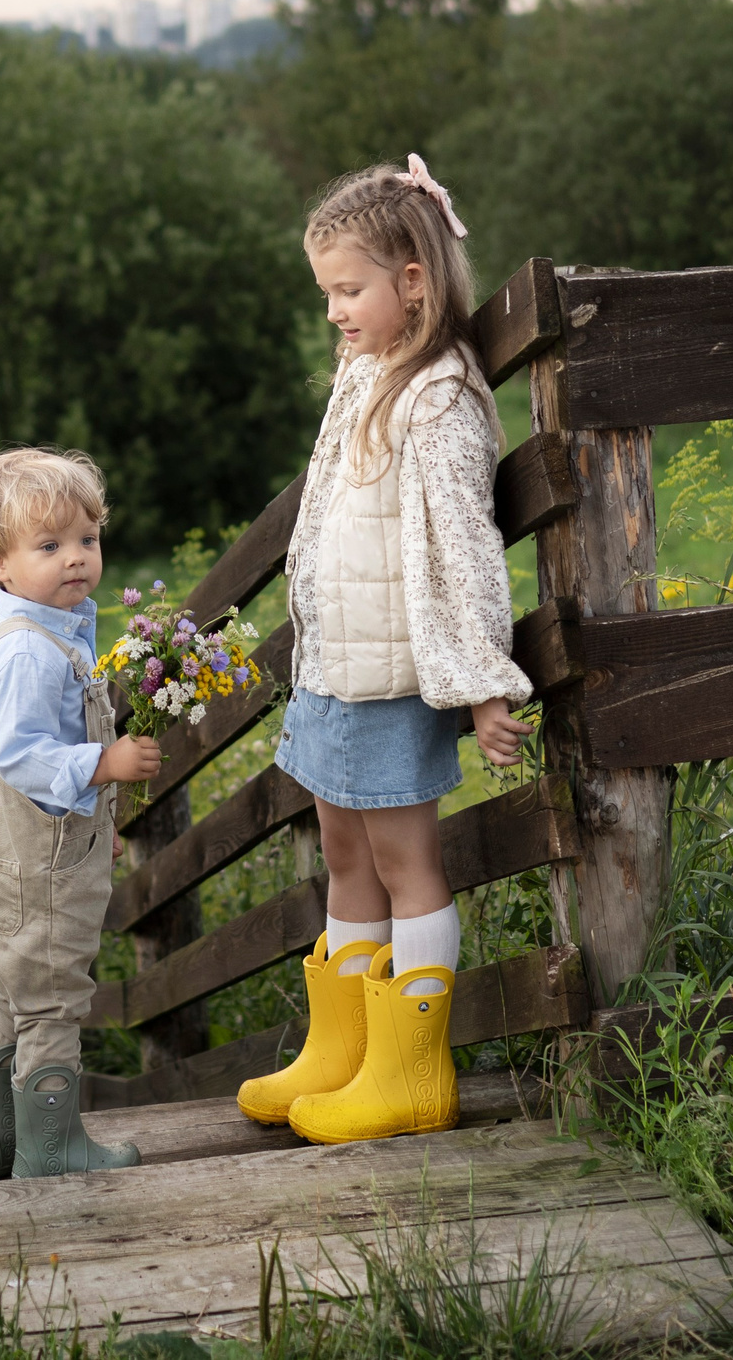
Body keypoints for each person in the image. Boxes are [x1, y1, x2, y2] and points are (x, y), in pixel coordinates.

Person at [235, 156, 536, 1145]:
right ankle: (342, 1052)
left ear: (414, 278)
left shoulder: (437, 396)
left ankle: (410, 1070)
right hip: (336, 666)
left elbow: (466, 548)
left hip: (397, 675)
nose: (333, 311)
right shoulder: (365, 371)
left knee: (405, 859)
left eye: (347, 288)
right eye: (326, 292)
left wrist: (485, 683)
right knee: (341, 850)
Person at [0, 447, 158, 1180]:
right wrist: (104, 764)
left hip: (22, 859)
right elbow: (24, 756)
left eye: (87, 540)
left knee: (15, 988)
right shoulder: (30, 655)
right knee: (52, 1005)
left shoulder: (55, 631)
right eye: (49, 546)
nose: (75, 558)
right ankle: (50, 1150)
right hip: (33, 868)